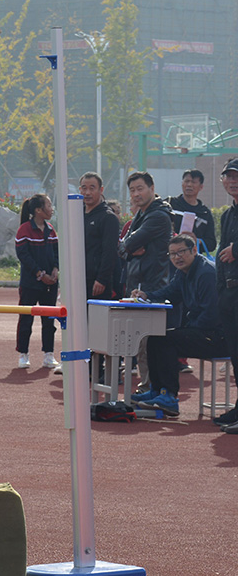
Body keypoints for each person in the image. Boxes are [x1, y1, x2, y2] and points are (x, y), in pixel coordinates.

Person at [129, 235, 224, 417]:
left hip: (217, 336)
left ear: (194, 251)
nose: (177, 257)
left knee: (167, 341)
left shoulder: (206, 274)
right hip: (202, 330)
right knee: (154, 338)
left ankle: (169, 397)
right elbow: (170, 292)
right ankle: (157, 391)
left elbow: (211, 315)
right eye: (172, 254)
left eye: (181, 252)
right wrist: (146, 295)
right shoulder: (184, 272)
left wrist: (188, 329)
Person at [14, 193, 60, 372]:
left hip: (50, 283)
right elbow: (23, 255)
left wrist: (55, 269)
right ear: (38, 210)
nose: (51, 208)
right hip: (30, 283)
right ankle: (23, 354)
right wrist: (40, 274)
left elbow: (57, 252)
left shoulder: (51, 229)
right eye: (49, 205)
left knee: (49, 320)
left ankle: (48, 354)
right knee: (26, 318)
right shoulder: (24, 229)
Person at [118, 171, 173, 295]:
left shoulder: (158, 216)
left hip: (151, 287)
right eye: (132, 190)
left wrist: (127, 249)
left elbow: (128, 244)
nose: (136, 194)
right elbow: (122, 247)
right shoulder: (141, 214)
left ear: (152, 188)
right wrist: (129, 253)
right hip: (135, 284)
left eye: (140, 189)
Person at [213, 159, 238, 429]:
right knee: (235, 353)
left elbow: (230, 250)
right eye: (229, 177)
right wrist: (220, 289)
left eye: (237, 176)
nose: (233, 181)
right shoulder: (228, 214)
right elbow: (221, 253)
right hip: (229, 293)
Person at [81, 172, 121, 300]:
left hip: (97, 283)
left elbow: (109, 252)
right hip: (78, 280)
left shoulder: (108, 217)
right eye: (84, 188)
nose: (87, 193)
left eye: (92, 188)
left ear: (101, 190)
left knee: (96, 319)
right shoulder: (76, 214)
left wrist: (102, 279)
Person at [169, 169, 216, 254]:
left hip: (193, 259)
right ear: (182, 183)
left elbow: (212, 243)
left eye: (193, 182)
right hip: (169, 257)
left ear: (201, 187)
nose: (189, 185)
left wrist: (197, 240)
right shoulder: (170, 204)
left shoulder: (204, 213)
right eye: (187, 181)